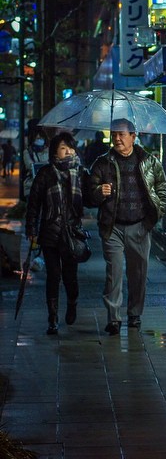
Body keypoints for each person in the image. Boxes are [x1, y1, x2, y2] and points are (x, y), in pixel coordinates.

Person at [88, 118, 166, 335]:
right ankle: (113, 318)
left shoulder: (149, 161)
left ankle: (135, 314)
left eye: (122, 134)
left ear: (133, 136)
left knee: (138, 273)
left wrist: (155, 215)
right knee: (113, 273)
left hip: (140, 226)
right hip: (112, 226)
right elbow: (89, 194)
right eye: (114, 134)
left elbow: (161, 187)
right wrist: (98, 192)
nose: (117, 138)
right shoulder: (102, 163)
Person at [25, 132, 89, 335]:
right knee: (53, 275)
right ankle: (52, 318)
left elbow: (91, 199)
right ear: (55, 151)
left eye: (70, 147)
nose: (68, 151)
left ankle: (72, 302)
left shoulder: (80, 173)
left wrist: (102, 191)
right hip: (50, 233)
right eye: (63, 148)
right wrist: (32, 230)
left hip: (72, 233)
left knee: (70, 276)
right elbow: (33, 204)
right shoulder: (45, 174)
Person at [23, 130, 49, 199]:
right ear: (33, 139)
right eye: (37, 138)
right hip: (31, 186)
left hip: (46, 186)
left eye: (41, 138)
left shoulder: (49, 150)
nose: (39, 140)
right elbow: (30, 166)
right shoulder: (28, 152)